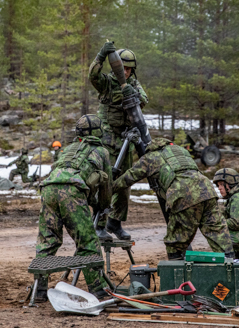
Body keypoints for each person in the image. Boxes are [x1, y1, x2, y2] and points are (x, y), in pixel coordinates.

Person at [113, 138, 234, 260]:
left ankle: (177, 273)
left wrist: (109, 188)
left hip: (183, 194)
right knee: (218, 234)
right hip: (207, 189)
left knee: (176, 243)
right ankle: (232, 265)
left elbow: (128, 178)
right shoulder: (180, 151)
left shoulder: (150, 158)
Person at [34, 115, 112, 302]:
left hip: (48, 188)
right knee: (88, 243)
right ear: (99, 131)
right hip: (72, 190)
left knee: (47, 241)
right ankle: (98, 289)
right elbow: (107, 187)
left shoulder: (69, 149)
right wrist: (102, 207)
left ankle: (39, 290)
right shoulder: (101, 152)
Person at [89, 41, 149, 240]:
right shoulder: (106, 83)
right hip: (107, 139)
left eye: (129, 68)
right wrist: (100, 57)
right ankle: (98, 223)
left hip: (126, 139)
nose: (126, 71)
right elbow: (93, 76)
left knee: (124, 184)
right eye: (122, 68)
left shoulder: (133, 84)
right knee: (105, 183)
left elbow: (144, 100)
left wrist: (133, 94)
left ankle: (115, 222)